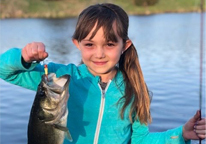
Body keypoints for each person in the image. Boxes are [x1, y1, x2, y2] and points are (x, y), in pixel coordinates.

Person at [0, 3, 205, 144]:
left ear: (124, 45)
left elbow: (141, 140)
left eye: (109, 44)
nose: (99, 54)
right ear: (77, 44)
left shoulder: (135, 90)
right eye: (89, 44)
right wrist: (23, 58)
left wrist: (181, 135)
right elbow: (5, 71)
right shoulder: (60, 78)